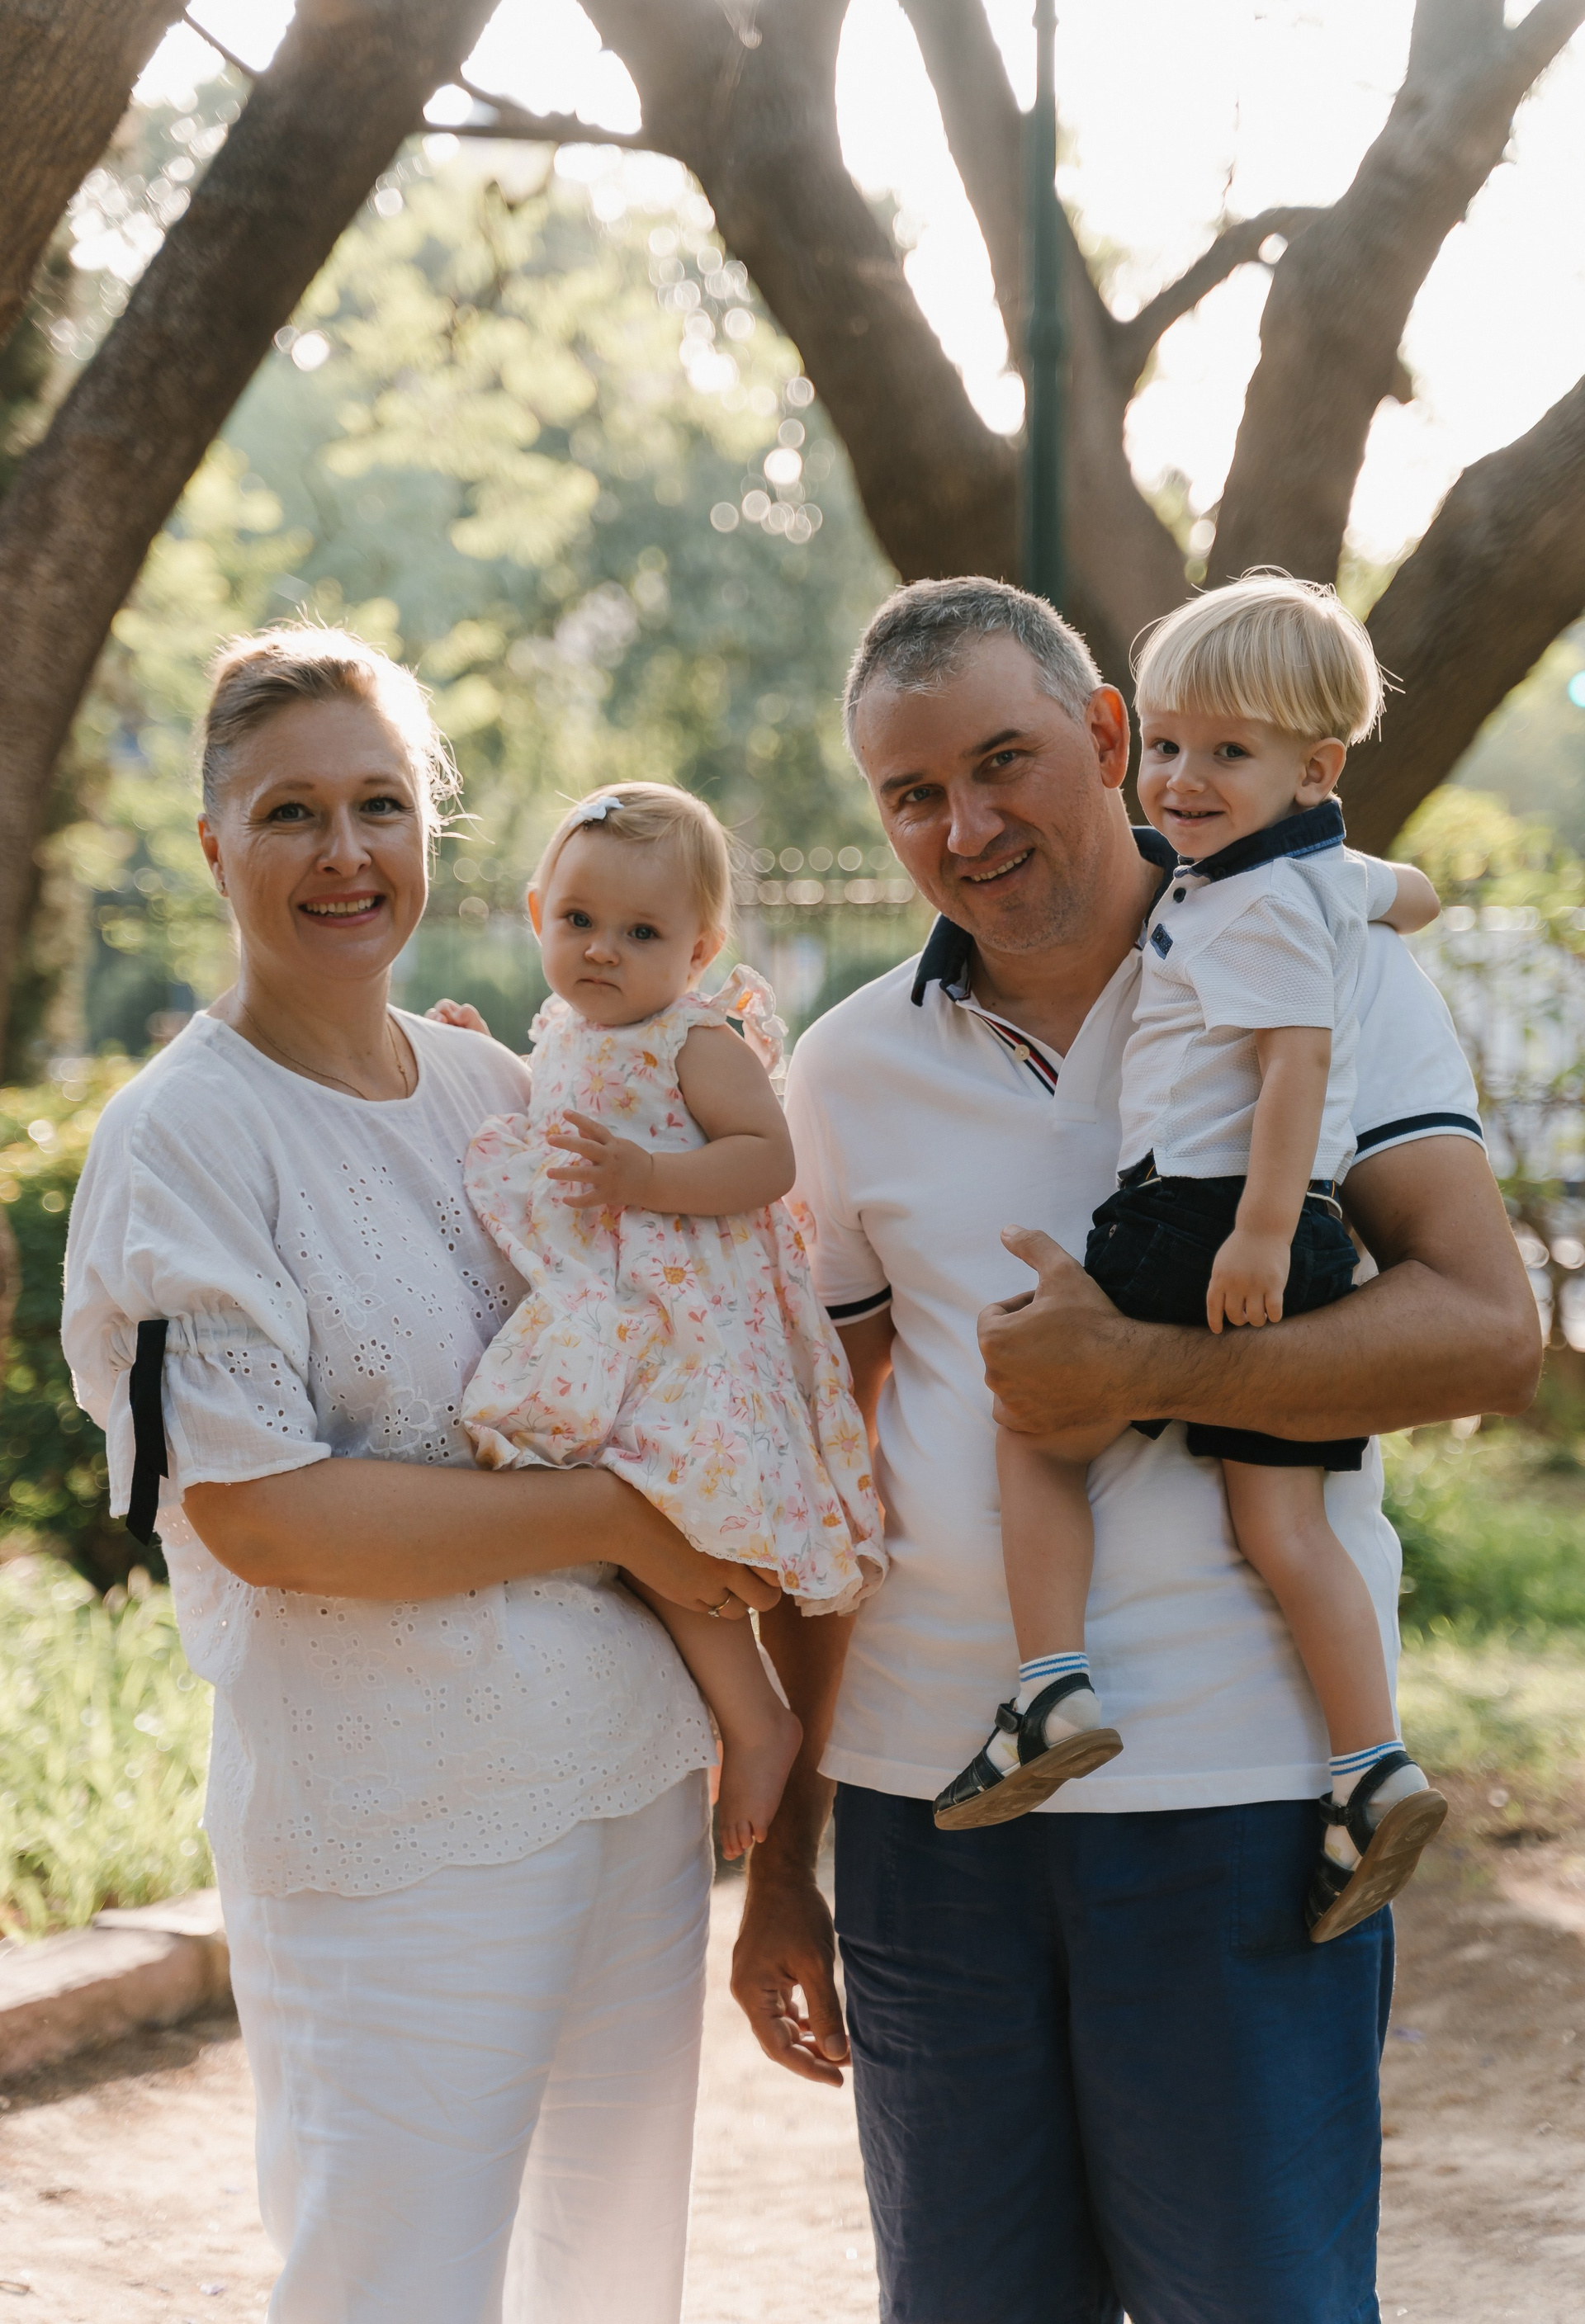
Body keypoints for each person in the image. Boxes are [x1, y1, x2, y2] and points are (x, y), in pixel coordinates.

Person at [731, 578, 1540, 2324]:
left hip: (1238, 1799)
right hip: (929, 1814)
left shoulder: (1326, 966)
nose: (967, 826)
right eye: (913, 794)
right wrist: (786, 1857)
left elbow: (1488, 1329)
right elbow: (823, 1477)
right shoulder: (846, 1069)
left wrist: (1140, 1368)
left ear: (1107, 736)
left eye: (1003, 762)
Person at [62, 627, 774, 2324]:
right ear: (214, 842)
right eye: (290, 812)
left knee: (615, 2287)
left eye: (380, 805)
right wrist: (618, 1521)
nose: (346, 852)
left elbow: (675, 1315)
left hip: (631, 1786)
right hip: (396, 1830)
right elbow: (268, 1516)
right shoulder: (182, 1139)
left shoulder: (493, 1083)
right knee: (394, 2293)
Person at [934, 577, 1449, 1947]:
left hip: (1202, 1210)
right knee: (1282, 1525)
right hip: (1294, 1227)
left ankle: (1051, 1684)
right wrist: (1386, 891)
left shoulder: (1248, 902)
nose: (1180, 780)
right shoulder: (1317, 875)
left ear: (1313, 770)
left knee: (1037, 1412)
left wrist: (1259, 1233)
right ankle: (1371, 1766)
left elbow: (1295, 1069)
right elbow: (1411, 891)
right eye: (1166, 746)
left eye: (1227, 752)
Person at [436, 781, 884, 1859]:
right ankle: (727, 1715)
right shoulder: (563, 1031)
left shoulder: (695, 1040)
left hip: (693, 1325)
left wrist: (648, 1174)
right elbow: (562, 1121)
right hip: (616, 1314)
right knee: (609, 1496)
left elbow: (767, 1160)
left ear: (698, 951)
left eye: (642, 933)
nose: (603, 949)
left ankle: (758, 1718)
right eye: (579, 919)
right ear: (538, 914)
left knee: (658, 1501)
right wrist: (483, 1058)